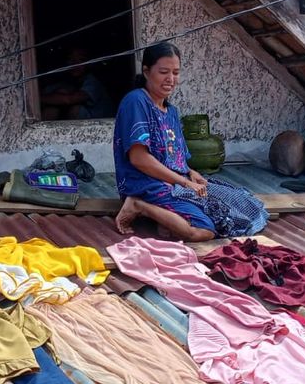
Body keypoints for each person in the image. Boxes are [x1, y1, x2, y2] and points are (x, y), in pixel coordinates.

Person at [113, 43, 266, 242]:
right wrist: (184, 182)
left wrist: (193, 175)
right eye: (163, 72)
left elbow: (178, 160)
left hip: (176, 182)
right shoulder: (136, 101)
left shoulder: (172, 112)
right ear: (146, 71)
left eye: (176, 72)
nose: (171, 79)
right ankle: (138, 206)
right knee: (205, 230)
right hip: (145, 184)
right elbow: (139, 159)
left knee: (245, 204)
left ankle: (166, 221)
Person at [40, 48, 114, 120]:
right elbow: (46, 91)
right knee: (55, 101)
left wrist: (38, 99)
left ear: (89, 63)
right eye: (70, 59)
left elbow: (70, 99)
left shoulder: (93, 82)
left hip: (100, 126)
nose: (75, 64)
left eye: (81, 60)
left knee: (73, 106)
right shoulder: (66, 82)